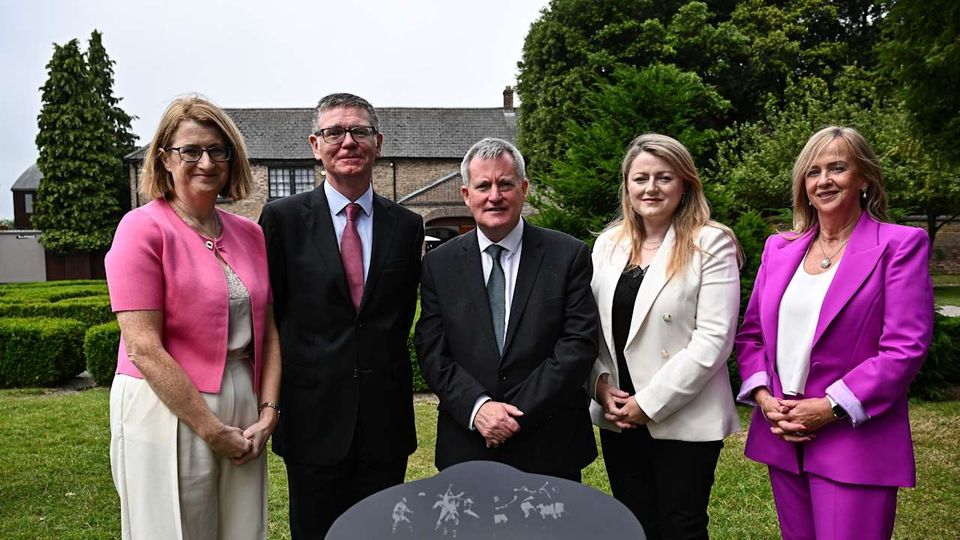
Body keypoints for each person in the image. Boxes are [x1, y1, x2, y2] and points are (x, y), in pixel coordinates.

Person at [736, 126, 934, 539]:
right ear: (803, 186)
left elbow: (904, 348)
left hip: (855, 440)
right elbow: (752, 335)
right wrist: (763, 397)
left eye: (837, 168)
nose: (823, 180)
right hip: (784, 432)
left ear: (863, 178)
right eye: (813, 172)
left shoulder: (900, 245)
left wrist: (830, 407)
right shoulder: (780, 248)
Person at [105, 95, 281, 539]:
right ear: (165, 158)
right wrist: (208, 427)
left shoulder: (250, 234)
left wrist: (269, 413)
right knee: (174, 528)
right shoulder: (141, 228)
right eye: (191, 150)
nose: (206, 161)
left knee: (241, 529)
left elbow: (270, 330)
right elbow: (143, 346)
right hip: (166, 405)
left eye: (217, 150)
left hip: (243, 406)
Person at [259, 93, 424, 538]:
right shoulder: (282, 220)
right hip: (312, 418)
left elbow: (402, 313)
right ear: (316, 145)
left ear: (379, 143)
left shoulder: (407, 226)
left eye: (359, 131)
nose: (347, 141)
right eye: (334, 132)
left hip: (384, 420)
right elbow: (270, 315)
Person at [415, 137, 599, 481]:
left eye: (506, 184)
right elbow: (432, 351)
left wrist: (515, 414)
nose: (494, 196)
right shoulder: (439, 264)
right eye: (483, 185)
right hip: (468, 443)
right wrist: (479, 408)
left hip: (550, 445)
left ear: (524, 189)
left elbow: (577, 345)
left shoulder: (567, 255)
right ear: (466, 195)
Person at [587, 133, 742, 539]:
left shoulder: (711, 243)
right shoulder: (607, 244)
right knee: (634, 524)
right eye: (640, 179)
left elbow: (714, 340)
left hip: (683, 413)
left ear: (685, 183)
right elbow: (589, 328)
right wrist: (600, 385)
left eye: (664, 177)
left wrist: (650, 403)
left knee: (681, 525)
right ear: (627, 186)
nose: (650, 188)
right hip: (619, 413)